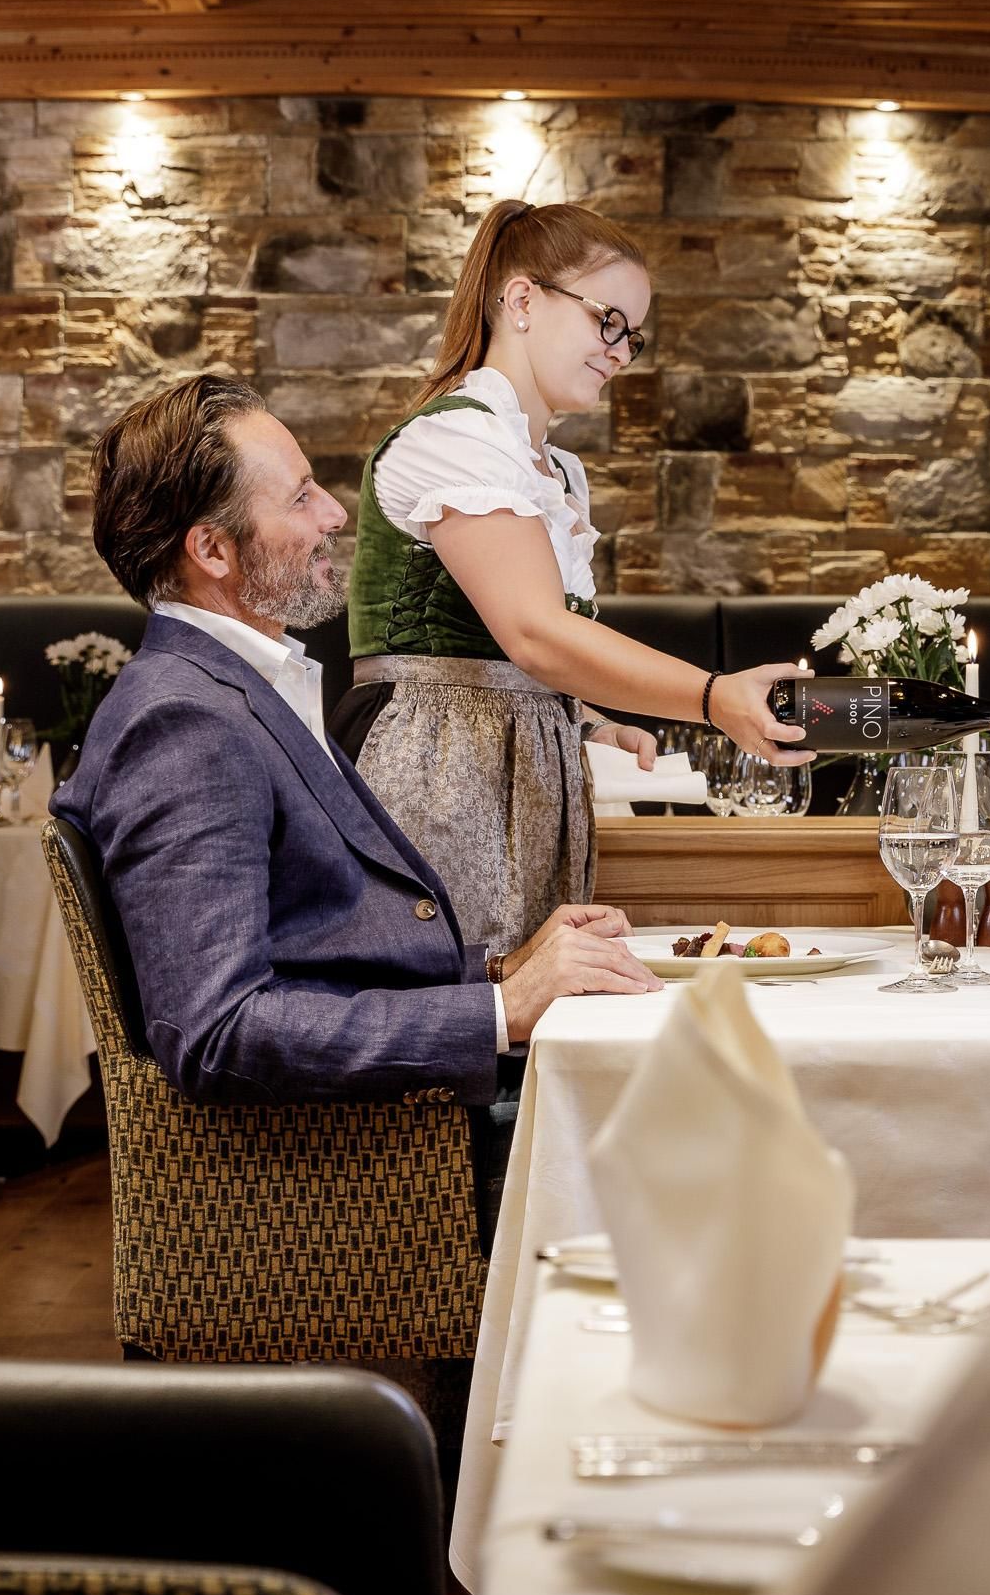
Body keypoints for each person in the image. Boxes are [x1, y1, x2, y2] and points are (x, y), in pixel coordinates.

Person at [53, 372, 658, 1219]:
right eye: (300, 498)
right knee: (692, 1139)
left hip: (391, 1131)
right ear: (213, 551)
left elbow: (318, 954)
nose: (337, 514)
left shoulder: (236, 689)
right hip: (356, 1178)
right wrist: (499, 1010)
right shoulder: (183, 723)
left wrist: (501, 966)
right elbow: (218, 1032)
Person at [340, 198, 808, 958]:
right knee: (457, 1015)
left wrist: (588, 722)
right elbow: (532, 632)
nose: (622, 352)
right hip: (437, 773)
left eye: (635, 336)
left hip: (522, 772)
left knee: (531, 1010)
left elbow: (510, 651)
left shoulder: (555, 471)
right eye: (608, 322)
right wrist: (714, 697)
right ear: (522, 300)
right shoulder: (455, 435)